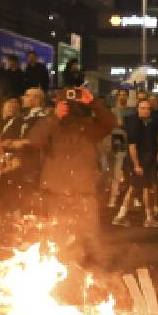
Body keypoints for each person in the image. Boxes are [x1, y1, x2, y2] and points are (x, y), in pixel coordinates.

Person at [25, 87, 116, 264]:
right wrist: (54, 116)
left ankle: (98, 282)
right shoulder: (51, 124)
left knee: (92, 241)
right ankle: (65, 282)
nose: (71, 106)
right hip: (56, 194)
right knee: (59, 240)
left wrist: (94, 103)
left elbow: (111, 123)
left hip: (83, 193)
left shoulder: (89, 127)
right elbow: (35, 140)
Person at [115, 98, 158, 228]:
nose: (146, 110)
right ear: (137, 109)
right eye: (143, 108)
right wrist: (136, 164)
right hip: (138, 161)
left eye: (148, 108)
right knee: (144, 188)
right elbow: (132, 145)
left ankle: (122, 216)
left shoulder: (148, 122)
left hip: (146, 160)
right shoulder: (134, 123)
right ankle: (148, 218)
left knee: (136, 188)